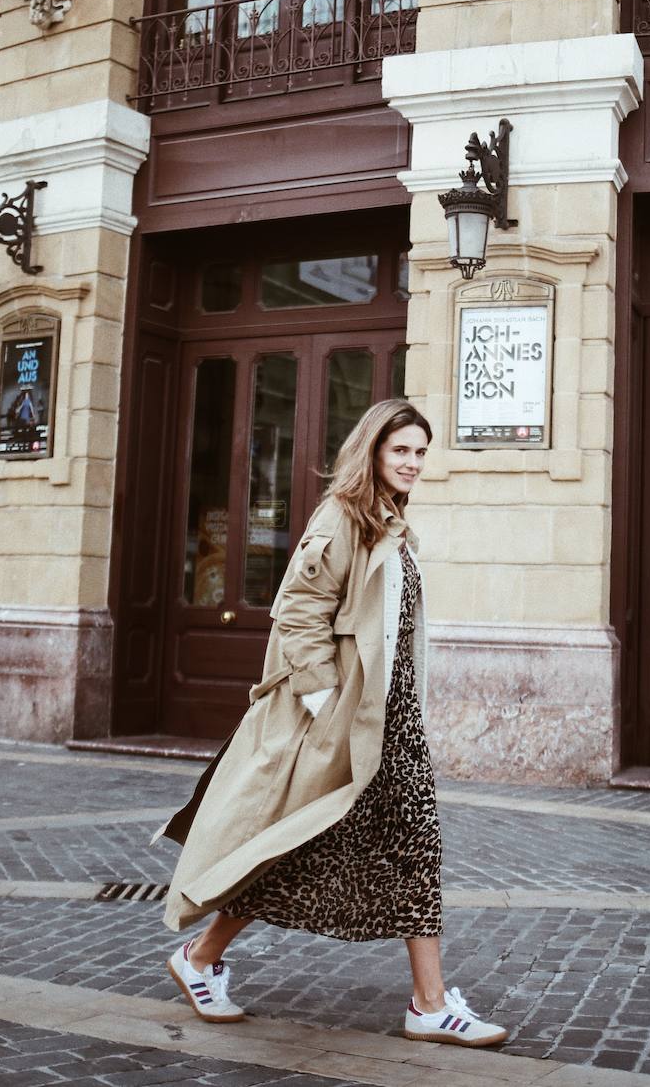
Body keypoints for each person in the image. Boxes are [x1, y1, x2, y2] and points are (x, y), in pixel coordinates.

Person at [157, 399, 507, 1049]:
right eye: (401, 450)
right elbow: (297, 612)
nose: (413, 463)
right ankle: (204, 958)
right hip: (351, 721)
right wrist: (324, 709)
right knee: (327, 845)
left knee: (406, 851)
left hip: (390, 720)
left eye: (421, 452)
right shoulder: (343, 517)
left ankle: (426, 1001)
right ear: (373, 451)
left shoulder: (390, 522)